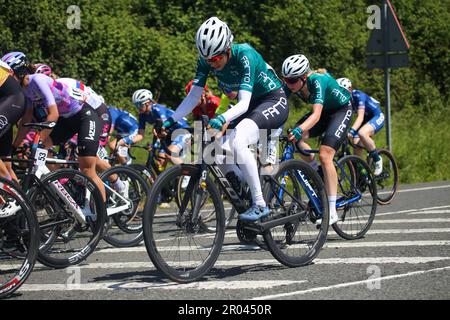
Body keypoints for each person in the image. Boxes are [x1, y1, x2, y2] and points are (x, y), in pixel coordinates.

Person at [161, 17, 289, 221]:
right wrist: (171, 120)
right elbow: (194, 96)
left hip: (271, 99)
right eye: (208, 60)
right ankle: (241, 185)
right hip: (250, 105)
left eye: (216, 58)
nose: (213, 63)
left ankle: (259, 203)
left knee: (238, 142)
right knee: (215, 151)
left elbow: (244, 103)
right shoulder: (206, 60)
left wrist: (221, 119)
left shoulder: (245, 54)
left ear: (228, 47)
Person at [10, 59, 106, 200]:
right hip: (66, 120)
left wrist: (39, 141)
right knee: (39, 154)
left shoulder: (38, 80)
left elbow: (53, 115)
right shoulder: (24, 90)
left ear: (18, 72)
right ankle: (63, 195)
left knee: (87, 170)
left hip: (84, 115)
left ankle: (103, 214)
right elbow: (26, 119)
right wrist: (14, 146)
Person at [283, 54, 353, 226]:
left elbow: (316, 115)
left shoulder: (317, 80)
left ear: (304, 77)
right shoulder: (292, 85)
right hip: (324, 114)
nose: (288, 84)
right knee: (294, 139)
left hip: (340, 110)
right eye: (285, 80)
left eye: (292, 81)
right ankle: (317, 172)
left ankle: (332, 211)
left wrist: (300, 129)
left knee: (325, 155)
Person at [337, 78, 384, 175]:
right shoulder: (343, 101)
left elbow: (360, 116)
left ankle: (377, 159)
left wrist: (351, 131)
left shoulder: (358, 95)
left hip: (376, 116)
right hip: (366, 120)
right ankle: (362, 173)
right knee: (355, 143)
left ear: (350, 89)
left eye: (344, 91)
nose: (342, 94)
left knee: (362, 133)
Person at [133, 89, 191, 168]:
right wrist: (127, 143)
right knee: (160, 161)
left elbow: (163, 128)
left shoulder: (158, 109)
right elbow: (140, 134)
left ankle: (191, 171)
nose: (138, 108)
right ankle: (165, 179)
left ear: (148, 103)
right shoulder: (142, 115)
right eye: (136, 105)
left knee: (170, 155)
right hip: (169, 136)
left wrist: (155, 145)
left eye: (139, 105)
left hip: (183, 131)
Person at [0, 53, 26, 182]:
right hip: (7, 103)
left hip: (13, 100)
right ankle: (20, 200)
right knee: (5, 163)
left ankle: (10, 190)